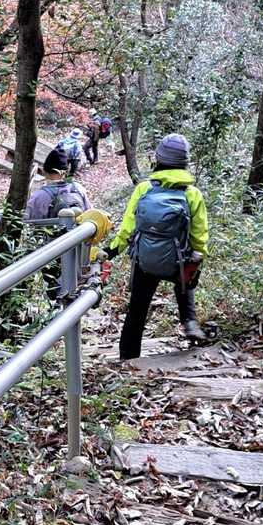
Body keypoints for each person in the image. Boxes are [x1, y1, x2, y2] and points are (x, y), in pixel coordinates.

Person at [104, 133, 209, 359]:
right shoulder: (192, 194)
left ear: (158, 159)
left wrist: (111, 250)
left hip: (146, 261)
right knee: (185, 281)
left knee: (137, 310)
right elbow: (199, 235)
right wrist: (198, 256)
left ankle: (128, 359)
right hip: (177, 261)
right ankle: (189, 320)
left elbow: (128, 228)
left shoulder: (144, 189)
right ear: (185, 163)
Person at [26, 147, 90, 302]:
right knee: (74, 287)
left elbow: (28, 223)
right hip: (79, 250)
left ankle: (57, 306)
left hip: (52, 254)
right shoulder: (79, 189)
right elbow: (89, 213)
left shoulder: (40, 196)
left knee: (55, 290)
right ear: (65, 172)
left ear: (45, 171)